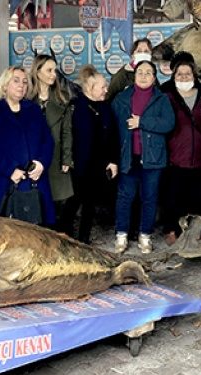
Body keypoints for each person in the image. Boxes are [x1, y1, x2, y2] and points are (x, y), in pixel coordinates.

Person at [111, 60, 175, 254]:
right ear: (134, 75)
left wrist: (142, 122)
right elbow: (112, 125)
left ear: (155, 78)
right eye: (140, 72)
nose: (144, 75)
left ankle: (144, 235)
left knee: (149, 198)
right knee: (125, 196)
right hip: (128, 157)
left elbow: (169, 124)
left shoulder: (162, 99)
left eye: (149, 72)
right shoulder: (122, 98)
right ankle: (121, 234)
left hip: (153, 159)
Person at [0, 66, 55, 226]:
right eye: (16, 81)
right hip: (7, 182)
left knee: (40, 231)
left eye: (25, 82)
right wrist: (10, 169)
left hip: (35, 181)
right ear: (5, 85)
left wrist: (41, 163)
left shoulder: (33, 110)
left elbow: (48, 141)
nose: (21, 85)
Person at [64, 65, 120, 243]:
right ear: (89, 88)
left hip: (97, 166)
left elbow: (113, 136)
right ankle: (62, 236)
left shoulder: (105, 107)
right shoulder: (75, 107)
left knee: (90, 204)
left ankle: (84, 240)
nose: (106, 89)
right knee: (73, 203)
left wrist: (112, 160)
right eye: (102, 87)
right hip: (78, 166)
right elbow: (67, 137)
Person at [160, 55, 201, 245]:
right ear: (173, 76)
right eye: (179, 74)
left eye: (187, 73)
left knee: (198, 198)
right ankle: (171, 229)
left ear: (194, 75)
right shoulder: (167, 94)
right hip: (176, 157)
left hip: (200, 157)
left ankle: (197, 231)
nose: (183, 77)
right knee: (173, 197)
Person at [27, 55, 74, 230]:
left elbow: (67, 132)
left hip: (56, 157)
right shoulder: (26, 100)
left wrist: (67, 159)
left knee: (58, 202)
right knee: (35, 201)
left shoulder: (62, 100)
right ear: (37, 72)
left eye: (55, 70)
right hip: (32, 160)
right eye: (49, 70)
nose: (54, 74)